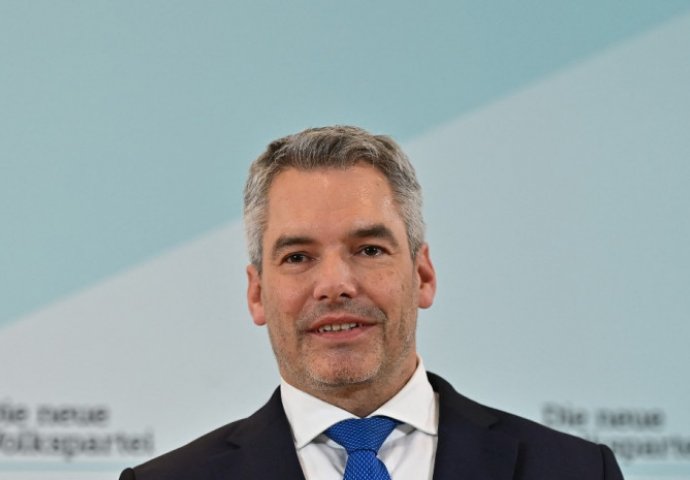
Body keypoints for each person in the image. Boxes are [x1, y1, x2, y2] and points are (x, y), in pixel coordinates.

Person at [119, 126, 624, 479]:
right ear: (257, 294)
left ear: (422, 275)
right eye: (298, 257)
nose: (335, 284)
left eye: (368, 250)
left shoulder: (576, 472)